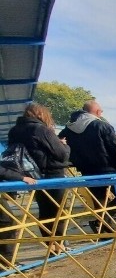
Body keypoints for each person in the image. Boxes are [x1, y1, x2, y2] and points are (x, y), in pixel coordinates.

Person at [59, 100, 116, 235]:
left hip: (86, 169)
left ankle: (103, 230)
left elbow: (60, 143)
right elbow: (115, 148)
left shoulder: (68, 129)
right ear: (97, 112)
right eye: (101, 110)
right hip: (107, 169)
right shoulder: (102, 126)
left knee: (99, 201)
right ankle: (100, 223)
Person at [6, 103, 71, 254]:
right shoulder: (40, 129)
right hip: (52, 174)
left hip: (32, 176)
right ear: (42, 115)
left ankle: (51, 246)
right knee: (58, 211)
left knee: (44, 211)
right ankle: (60, 246)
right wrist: (64, 145)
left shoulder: (14, 131)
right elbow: (61, 154)